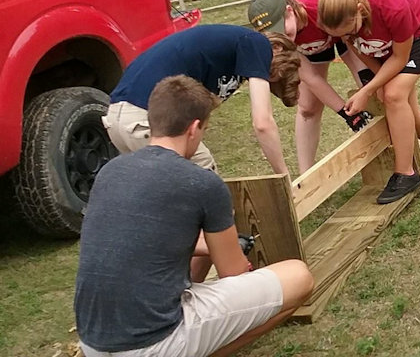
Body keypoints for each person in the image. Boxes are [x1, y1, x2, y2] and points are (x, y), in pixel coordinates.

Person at [75, 75, 313, 357]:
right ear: (194, 128)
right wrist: (233, 249)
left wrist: (204, 245)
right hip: (151, 344)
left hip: (92, 343)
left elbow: (139, 239)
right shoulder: (202, 183)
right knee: (298, 277)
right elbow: (232, 274)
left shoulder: (111, 171)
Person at [103, 24, 301, 177]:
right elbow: (262, 123)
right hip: (142, 119)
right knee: (203, 173)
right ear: (276, 47)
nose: (262, 75)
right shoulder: (255, 42)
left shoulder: (226, 58)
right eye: (271, 70)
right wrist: (283, 175)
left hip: (117, 120)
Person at [317, 0, 420, 204]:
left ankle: (406, 173)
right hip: (383, 42)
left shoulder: (390, 5)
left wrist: (368, 90)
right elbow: (358, 47)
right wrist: (378, 82)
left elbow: (400, 57)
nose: (347, 35)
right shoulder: (344, 18)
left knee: (394, 95)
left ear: (359, 10)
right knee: (398, 99)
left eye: (350, 30)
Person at [248, 0, 373, 174]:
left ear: (290, 11)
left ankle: (396, 145)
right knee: (308, 107)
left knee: (368, 84)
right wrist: (346, 113)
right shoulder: (282, 38)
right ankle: (306, 177)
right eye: (275, 35)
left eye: (284, 30)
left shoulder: (320, 7)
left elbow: (351, 44)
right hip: (310, 45)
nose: (283, 37)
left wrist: (366, 85)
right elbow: (311, 78)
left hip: (339, 28)